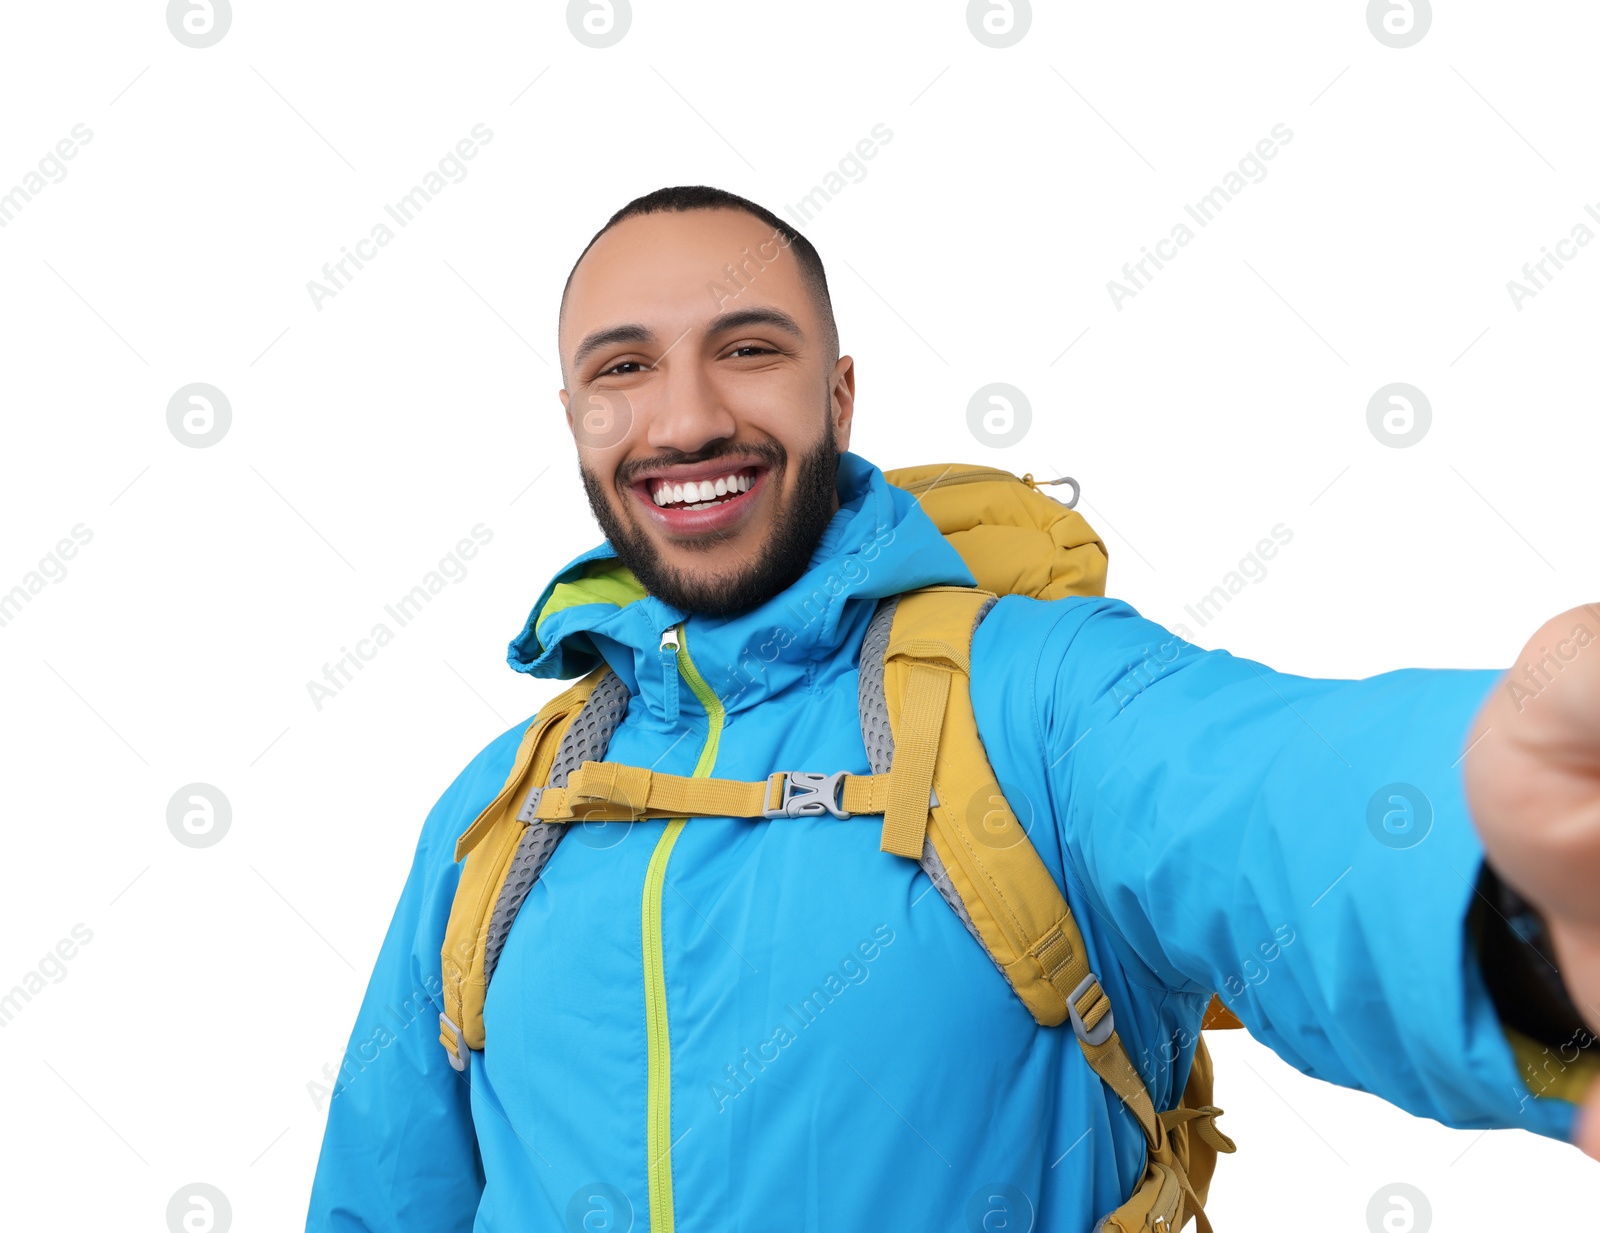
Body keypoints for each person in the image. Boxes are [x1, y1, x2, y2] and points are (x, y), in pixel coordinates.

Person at [304, 185, 1600, 1232]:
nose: (686, 417)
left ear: (840, 396)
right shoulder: (495, 818)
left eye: (748, 350)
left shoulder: (1032, 698)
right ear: (577, 418)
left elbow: (1274, 804)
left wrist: (1526, 888)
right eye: (623, 369)